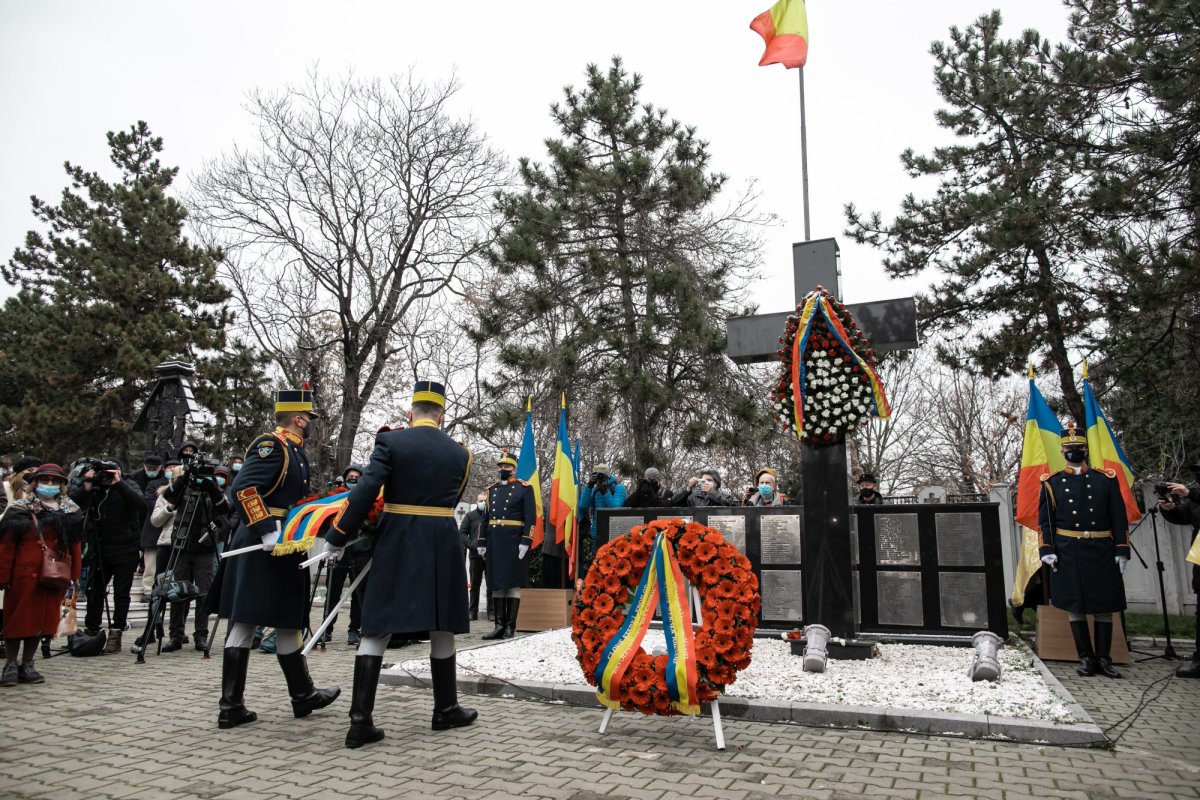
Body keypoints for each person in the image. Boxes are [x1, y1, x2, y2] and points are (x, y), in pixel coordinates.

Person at [326, 380, 476, 748]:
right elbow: (454, 496)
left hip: (398, 538)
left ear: (411, 412)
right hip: (441, 538)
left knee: (377, 623)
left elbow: (365, 490)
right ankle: (445, 709)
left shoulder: (391, 441)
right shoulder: (461, 453)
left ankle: (360, 721)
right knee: (442, 623)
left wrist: (338, 534)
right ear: (442, 415)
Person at [216, 385, 339, 730]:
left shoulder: (295, 451)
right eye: (310, 418)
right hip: (264, 542)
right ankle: (231, 705)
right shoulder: (273, 446)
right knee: (245, 618)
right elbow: (243, 488)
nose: (311, 423)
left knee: (289, 616)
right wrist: (266, 528)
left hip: (285, 543)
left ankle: (303, 695)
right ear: (299, 419)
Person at [1037, 424, 1130, 679]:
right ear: (1063, 450)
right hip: (1070, 550)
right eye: (1069, 448)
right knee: (1075, 605)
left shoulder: (1105, 480)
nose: (1074, 451)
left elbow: (1118, 517)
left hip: (1101, 548)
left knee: (1104, 605)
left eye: (1078, 448)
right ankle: (1086, 657)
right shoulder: (1052, 483)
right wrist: (1047, 549)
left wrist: (1122, 549)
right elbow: (1045, 520)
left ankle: (1104, 657)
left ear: (1086, 450)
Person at [0, 464, 82, 686]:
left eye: (55, 481)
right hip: (22, 575)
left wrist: (74, 576)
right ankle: (10, 664)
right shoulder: (19, 508)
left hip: (54, 576)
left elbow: (75, 546)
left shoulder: (70, 510)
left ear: (62, 485)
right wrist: (3, 577)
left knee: (40, 622)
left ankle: (28, 664)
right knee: (16, 620)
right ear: (36, 483)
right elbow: (6, 546)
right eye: (45, 480)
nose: (50, 485)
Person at [155, 461, 231, 652]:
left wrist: (211, 486)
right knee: (177, 592)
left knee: (204, 593)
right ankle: (176, 636)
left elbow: (224, 509)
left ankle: (201, 635)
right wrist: (183, 478)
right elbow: (169, 496)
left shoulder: (214, 488)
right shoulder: (184, 485)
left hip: (204, 547)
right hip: (181, 544)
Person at [71, 458, 144, 654]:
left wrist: (118, 483)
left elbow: (140, 503)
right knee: (95, 591)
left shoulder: (128, 484)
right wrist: (87, 486)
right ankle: (91, 630)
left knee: (122, 593)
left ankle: (116, 632)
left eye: (111, 472)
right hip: (100, 547)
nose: (107, 476)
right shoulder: (96, 488)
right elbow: (73, 503)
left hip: (126, 548)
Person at [479, 452, 536, 640]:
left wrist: (526, 540)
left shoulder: (524, 488)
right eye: (501, 467)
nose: (503, 470)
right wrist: (482, 541)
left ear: (514, 469)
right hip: (495, 540)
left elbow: (530, 517)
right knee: (496, 584)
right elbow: (485, 519)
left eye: (507, 467)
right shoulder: (492, 490)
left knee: (511, 584)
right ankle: (499, 626)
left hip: (514, 541)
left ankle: (510, 627)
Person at [1156, 477, 1200, 678]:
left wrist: (1189, 492)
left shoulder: (1194, 494)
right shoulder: (1195, 499)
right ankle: (1198, 661)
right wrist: (1169, 508)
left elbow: (1193, 495)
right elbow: (1182, 517)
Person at [322, 464, 370, 646]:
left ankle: (354, 630)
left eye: (357, 477)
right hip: (338, 551)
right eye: (350, 477)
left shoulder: (369, 499)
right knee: (332, 591)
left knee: (359, 593)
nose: (353, 480)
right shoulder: (335, 498)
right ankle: (326, 629)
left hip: (361, 550)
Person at [135, 455, 170, 602]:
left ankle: (165, 589)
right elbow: (148, 504)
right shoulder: (154, 484)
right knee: (150, 564)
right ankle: (148, 590)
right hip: (153, 528)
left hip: (169, 533)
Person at [459, 492, 488, 621]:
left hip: (490, 555)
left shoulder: (491, 515)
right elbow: (462, 533)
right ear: (477, 502)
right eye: (480, 500)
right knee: (475, 584)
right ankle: (473, 612)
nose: (482, 503)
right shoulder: (470, 516)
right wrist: (471, 545)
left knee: (492, 585)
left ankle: (492, 612)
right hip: (475, 555)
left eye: (484, 501)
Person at [580, 464, 628, 540]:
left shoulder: (618, 488)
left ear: (608, 476)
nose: (599, 478)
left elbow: (616, 509)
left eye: (602, 475)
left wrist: (605, 492)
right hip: (596, 533)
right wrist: (589, 486)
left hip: (613, 533)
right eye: (597, 475)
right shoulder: (594, 489)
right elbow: (583, 505)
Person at [671, 469, 737, 508]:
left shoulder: (726, 496)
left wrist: (712, 493)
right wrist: (688, 488)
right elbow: (674, 502)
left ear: (716, 483)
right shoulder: (692, 496)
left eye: (709, 480)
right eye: (703, 480)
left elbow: (733, 507)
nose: (706, 482)